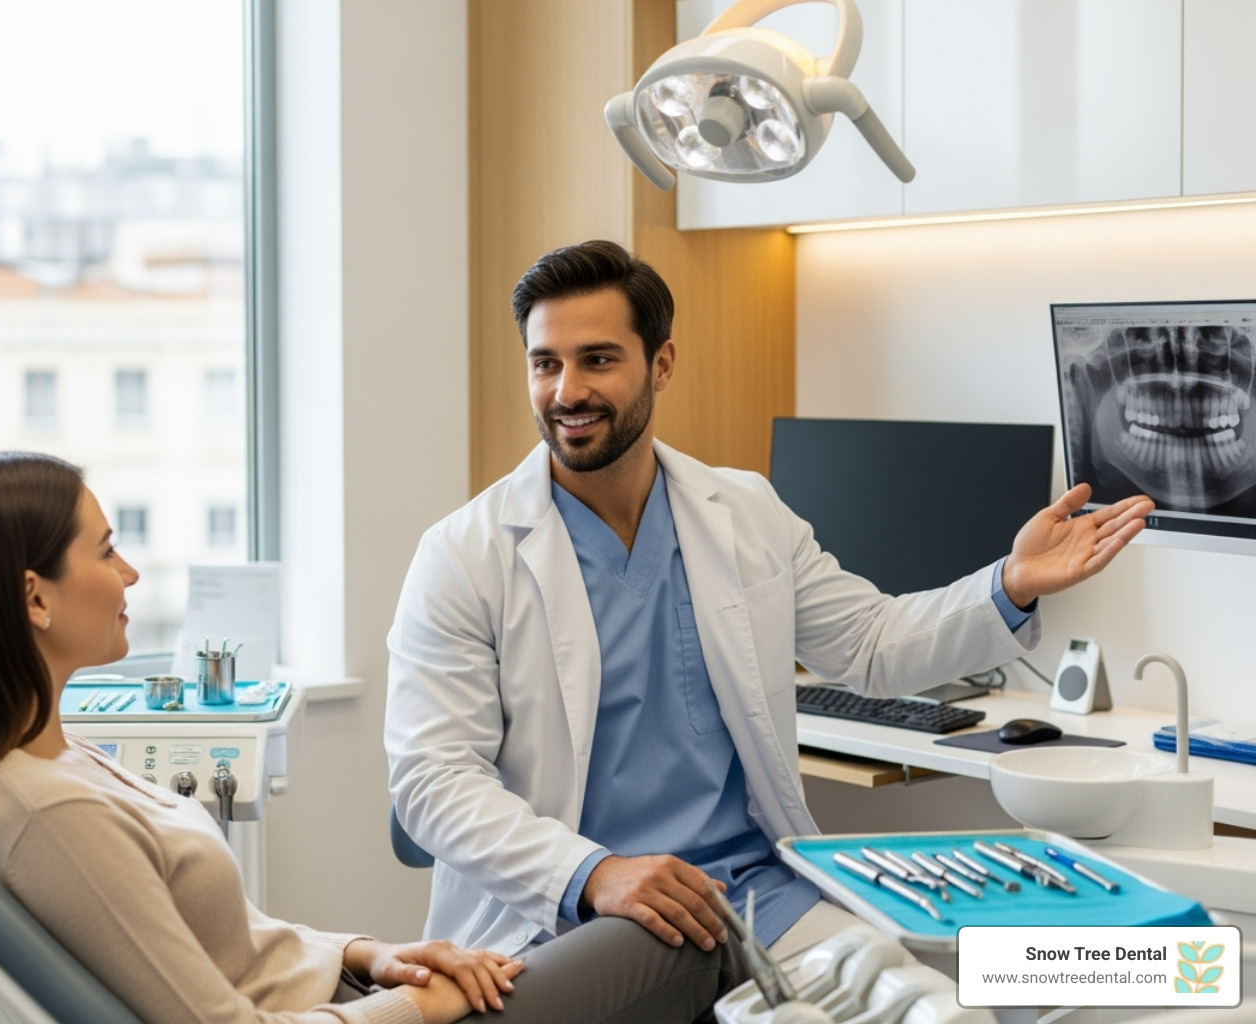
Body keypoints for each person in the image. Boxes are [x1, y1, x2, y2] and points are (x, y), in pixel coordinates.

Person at [384, 240, 1155, 962]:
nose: (566, 391)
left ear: (661, 365)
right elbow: (432, 781)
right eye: (544, 363)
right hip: (570, 913)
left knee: (926, 1002)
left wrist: (1010, 584)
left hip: (749, 893)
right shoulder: (464, 554)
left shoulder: (744, 512)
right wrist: (594, 873)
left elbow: (871, 644)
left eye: (598, 360)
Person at [0, 450, 742, 1024]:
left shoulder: (54, 758)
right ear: (35, 597)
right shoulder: (47, 816)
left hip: (350, 993)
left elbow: (241, 949)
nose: (129, 574)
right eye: (106, 551)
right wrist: (422, 1006)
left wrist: (372, 955)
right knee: (690, 935)